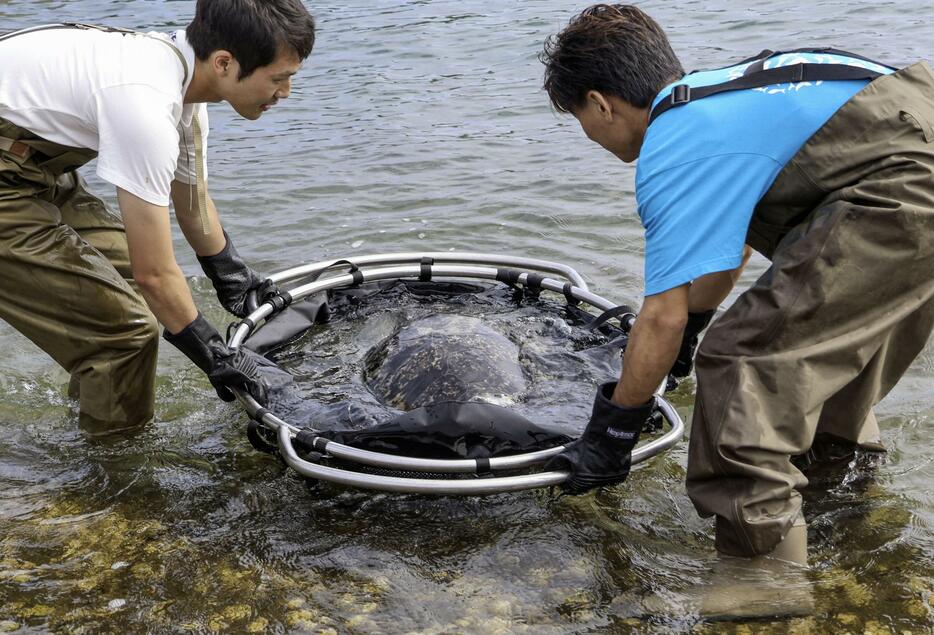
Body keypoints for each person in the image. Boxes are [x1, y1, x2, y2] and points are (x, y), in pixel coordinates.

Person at [541, 2, 934, 597]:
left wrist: (612, 431)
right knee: (829, 360)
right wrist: (693, 326)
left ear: (600, 103)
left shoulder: (673, 144)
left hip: (899, 187)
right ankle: (843, 508)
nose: (590, 136)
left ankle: (763, 582)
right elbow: (731, 253)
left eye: (579, 120)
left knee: (741, 364)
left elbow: (660, 314)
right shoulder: (722, 100)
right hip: (916, 143)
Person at [0, 0, 316, 434]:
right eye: (279, 79)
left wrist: (237, 280)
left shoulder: (184, 89)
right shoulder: (145, 103)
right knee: (124, 332)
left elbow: (192, 203)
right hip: (10, 174)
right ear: (225, 62)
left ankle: (84, 423)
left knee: (134, 294)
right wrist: (215, 355)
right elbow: (155, 273)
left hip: (32, 164)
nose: (285, 93)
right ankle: (114, 474)